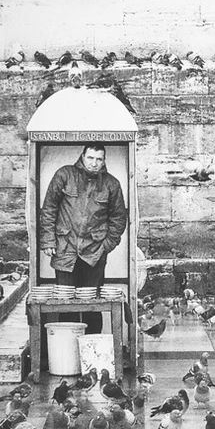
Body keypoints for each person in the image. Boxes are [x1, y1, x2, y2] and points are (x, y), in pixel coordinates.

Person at [39, 143, 128, 334]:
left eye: (99, 159)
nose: (94, 163)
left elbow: (119, 218)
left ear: (104, 161)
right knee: (66, 305)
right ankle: (67, 356)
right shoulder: (64, 175)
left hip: (94, 252)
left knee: (93, 305)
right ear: (82, 156)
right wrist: (47, 240)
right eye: (91, 158)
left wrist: (106, 245)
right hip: (65, 249)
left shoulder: (111, 184)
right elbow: (49, 208)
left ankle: (91, 355)